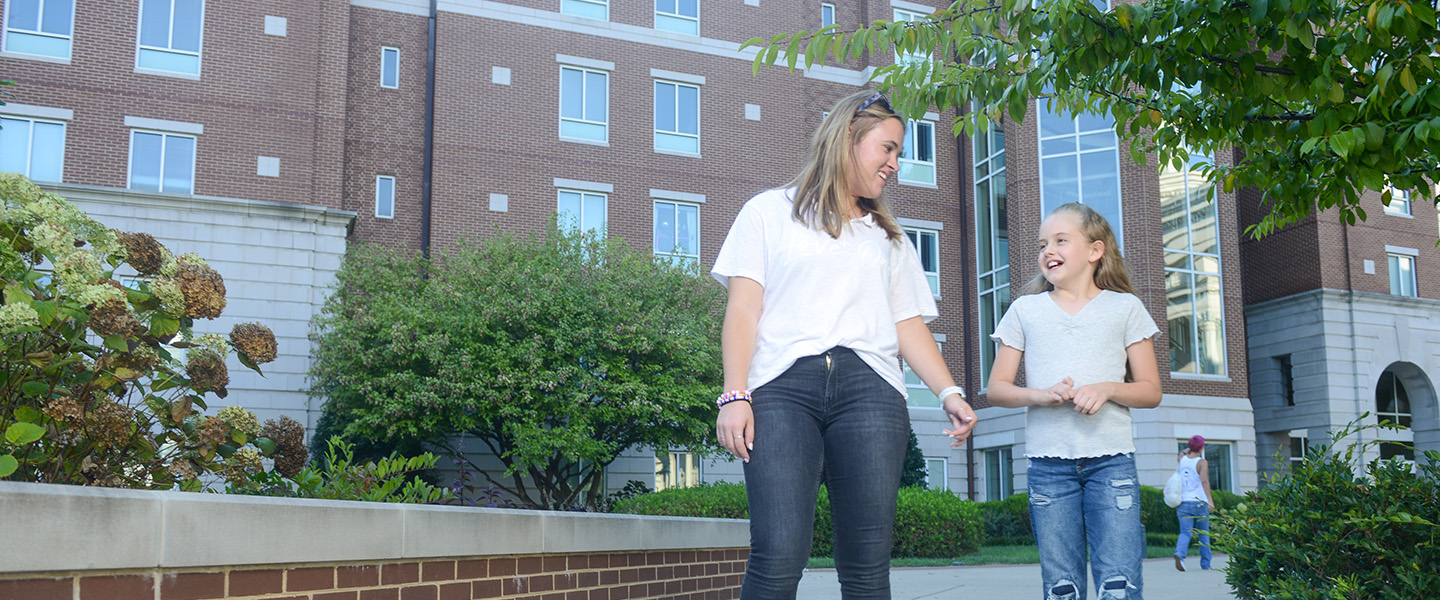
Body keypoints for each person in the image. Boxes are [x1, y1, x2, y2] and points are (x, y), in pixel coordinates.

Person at [710, 89, 978, 600]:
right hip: (781, 391)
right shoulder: (768, 212)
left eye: (899, 153)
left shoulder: (888, 238)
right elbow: (743, 310)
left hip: (870, 393)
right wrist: (735, 394)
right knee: (778, 553)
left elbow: (907, 323)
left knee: (867, 567)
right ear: (848, 139)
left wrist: (950, 392)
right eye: (888, 148)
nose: (895, 163)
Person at [986, 202, 1162, 599]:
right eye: (1042, 244)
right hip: (1048, 468)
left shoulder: (1125, 308)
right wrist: (1041, 395)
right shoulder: (1024, 310)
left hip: (1111, 464)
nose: (1048, 250)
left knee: (1119, 585)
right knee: (1061, 588)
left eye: (1061, 240)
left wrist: (1107, 388)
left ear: (1095, 250)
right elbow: (997, 388)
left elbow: (1150, 390)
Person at [1174, 435, 1215, 571]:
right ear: (1202, 447)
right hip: (1199, 503)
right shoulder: (1202, 462)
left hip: (1183, 502)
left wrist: (1186, 450)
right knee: (1203, 533)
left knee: (1185, 532)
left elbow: (1181, 456)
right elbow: (1204, 481)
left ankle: (1180, 555)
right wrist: (1210, 501)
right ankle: (1206, 564)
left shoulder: (1182, 459)